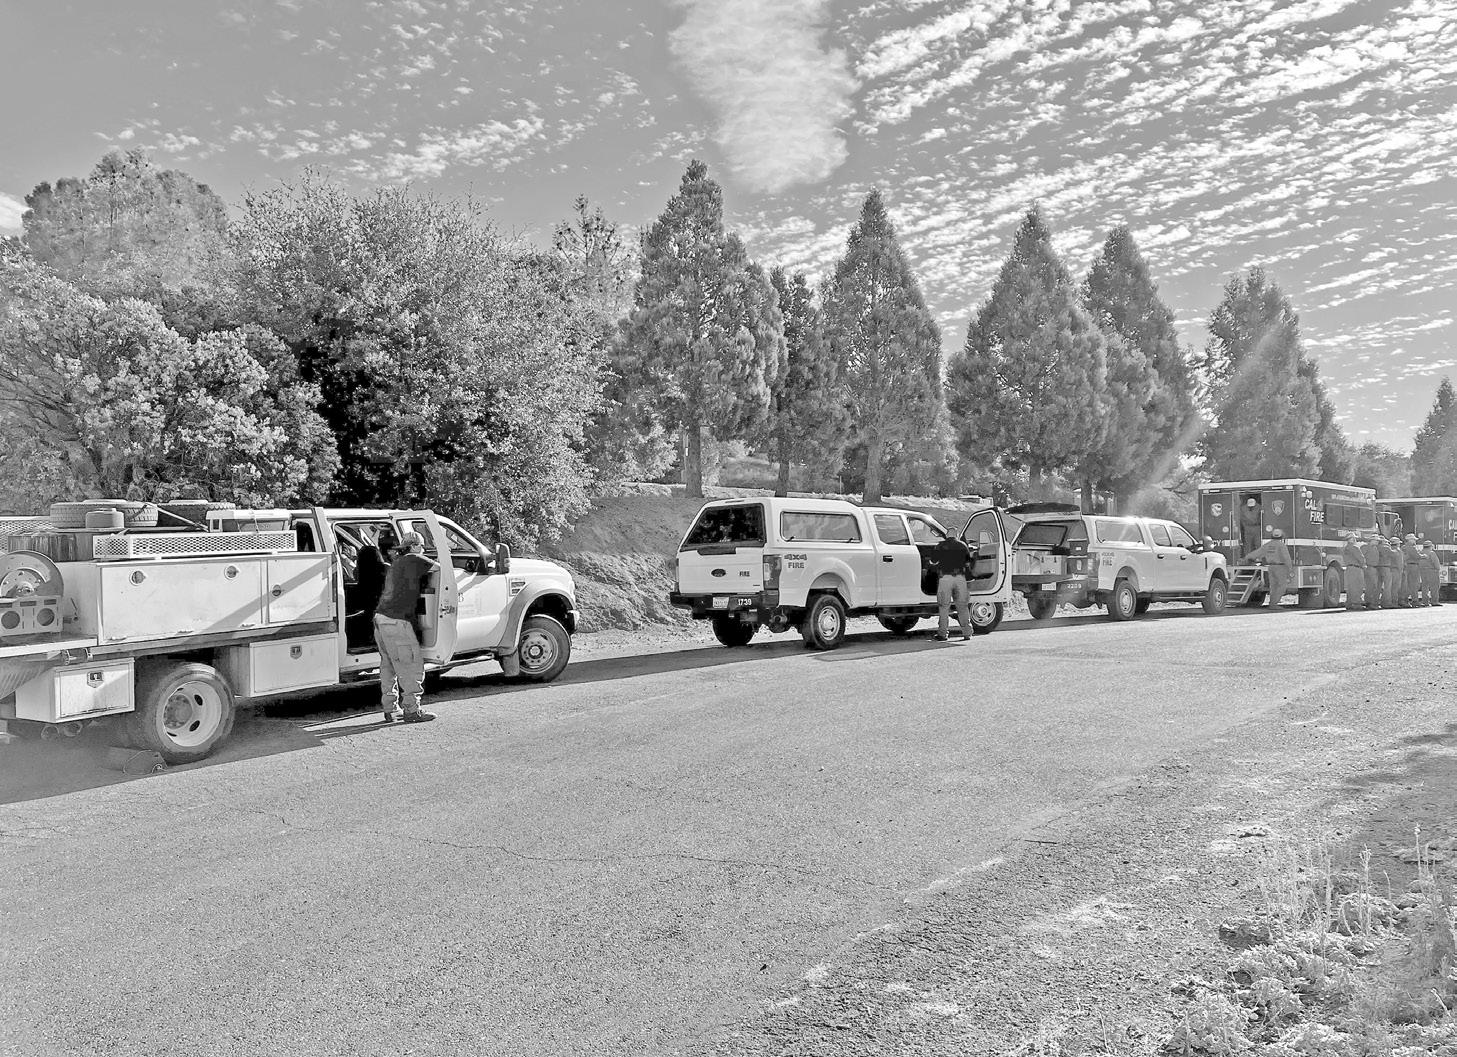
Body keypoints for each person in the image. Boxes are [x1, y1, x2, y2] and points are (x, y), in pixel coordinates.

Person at [373, 530, 439, 724]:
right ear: (415, 546)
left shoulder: (397, 563)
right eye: (422, 546)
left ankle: (391, 709)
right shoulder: (415, 559)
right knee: (410, 666)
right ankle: (412, 710)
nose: (423, 549)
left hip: (380, 618)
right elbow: (441, 570)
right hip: (397, 621)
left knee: (388, 666)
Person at [928, 533, 976, 641]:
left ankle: (943, 634)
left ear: (946, 535)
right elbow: (968, 563)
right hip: (960, 579)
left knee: (944, 607)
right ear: (956, 535)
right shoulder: (963, 545)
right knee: (962, 607)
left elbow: (933, 561)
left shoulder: (940, 545)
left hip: (945, 579)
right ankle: (967, 633)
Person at [1246, 529, 1293, 608]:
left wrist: (1247, 557)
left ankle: (1272, 604)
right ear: (1281, 536)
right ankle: (1274, 603)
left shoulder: (1268, 545)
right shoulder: (1281, 545)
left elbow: (1258, 552)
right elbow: (1286, 558)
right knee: (1282, 586)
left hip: (1271, 567)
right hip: (1280, 567)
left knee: (1273, 587)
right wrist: (1290, 569)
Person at [1340, 531, 1366, 612]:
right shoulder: (1354, 547)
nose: (1355, 540)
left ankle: (1349, 603)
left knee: (1350, 587)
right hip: (1356, 568)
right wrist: (1364, 564)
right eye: (1354, 538)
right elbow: (1361, 558)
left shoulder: (1345, 548)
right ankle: (1356, 603)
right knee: (1358, 586)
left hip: (1349, 568)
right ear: (1351, 539)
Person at [1361, 533, 1383, 611]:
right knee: (1370, 586)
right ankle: (1368, 602)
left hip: (1374, 568)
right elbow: (1361, 556)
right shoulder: (1365, 547)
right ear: (1372, 540)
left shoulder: (1375, 548)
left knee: (1374, 586)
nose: (1377, 542)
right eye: (1376, 540)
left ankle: (1372, 602)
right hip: (1369, 567)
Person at [1402, 533, 1423, 607]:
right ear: (1410, 540)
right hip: (1413, 566)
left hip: (1406, 566)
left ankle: (1405, 600)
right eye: (1414, 540)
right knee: (1414, 584)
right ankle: (1415, 600)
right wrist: (1423, 556)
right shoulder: (1411, 547)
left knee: (1407, 584)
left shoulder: (1403, 547)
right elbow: (1417, 556)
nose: (1415, 541)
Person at [1422, 540, 1443, 607]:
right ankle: (1434, 601)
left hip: (1423, 572)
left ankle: (1425, 602)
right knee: (1434, 587)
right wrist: (1437, 569)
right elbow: (1436, 563)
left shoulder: (1420, 553)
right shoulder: (1431, 553)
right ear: (1430, 546)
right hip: (1432, 571)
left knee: (1425, 587)